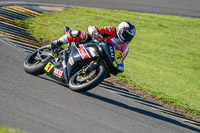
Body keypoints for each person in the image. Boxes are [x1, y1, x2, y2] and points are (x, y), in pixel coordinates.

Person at [50, 21, 136, 73]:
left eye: (130, 37)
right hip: (93, 44)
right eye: (126, 35)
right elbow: (92, 28)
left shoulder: (125, 48)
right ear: (120, 30)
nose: (127, 39)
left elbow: (119, 60)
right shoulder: (111, 30)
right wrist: (95, 33)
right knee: (81, 35)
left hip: (103, 56)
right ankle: (57, 42)